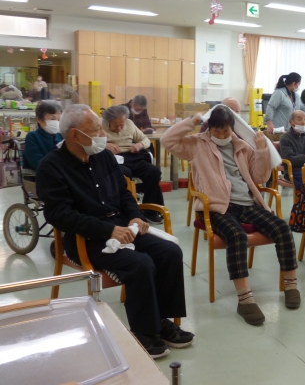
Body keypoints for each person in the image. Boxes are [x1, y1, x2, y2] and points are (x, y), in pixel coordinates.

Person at [36, 104, 193, 359]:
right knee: (140, 264)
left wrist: (135, 215)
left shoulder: (103, 156)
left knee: (170, 252)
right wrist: (108, 230)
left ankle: (161, 320)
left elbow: (124, 193)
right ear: (75, 135)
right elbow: (60, 215)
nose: (103, 134)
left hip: (121, 226)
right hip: (86, 238)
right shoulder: (51, 167)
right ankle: (144, 333)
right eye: (96, 130)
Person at [161, 106, 301, 325]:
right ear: (209, 128)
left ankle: (291, 285)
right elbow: (167, 140)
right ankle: (245, 298)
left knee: (282, 228)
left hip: (246, 203)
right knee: (236, 236)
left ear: (232, 128)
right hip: (216, 207)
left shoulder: (243, 146)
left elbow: (260, 177)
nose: (221, 135)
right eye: (216, 131)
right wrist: (192, 121)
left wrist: (262, 152)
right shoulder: (197, 144)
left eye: (225, 131)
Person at [102, 106, 165, 225]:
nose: (119, 128)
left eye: (122, 125)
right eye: (116, 125)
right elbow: (91, 143)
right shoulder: (100, 126)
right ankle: (127, 211)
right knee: (125, 174)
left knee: (153, 172)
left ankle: (150, 210)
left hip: (131, 156)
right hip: (112, 159)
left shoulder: (129, 124)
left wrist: (139, 145)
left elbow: (145, 139)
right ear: (107, 121)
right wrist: (104, 146)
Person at [264, 72, 305, 142]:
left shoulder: (296, 96)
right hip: (278, 130)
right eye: (298, 85)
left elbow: (302, 107)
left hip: (290, 131)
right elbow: (270, 106)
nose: (298, 87)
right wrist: (269, 123)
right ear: (294, 84)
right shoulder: (279, 93)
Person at [24, 100, 63, 171]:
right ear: (39, 119)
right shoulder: (33, 137)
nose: (56, 122)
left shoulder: (62, 136)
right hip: (45, 174)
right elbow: (37, 163)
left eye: (59, 119)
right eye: (52, 119)